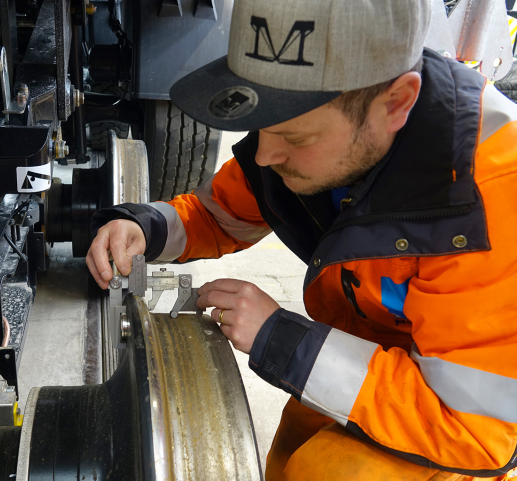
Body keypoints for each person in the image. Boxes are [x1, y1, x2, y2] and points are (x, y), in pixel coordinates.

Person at [86, 0, 517, 479]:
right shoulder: (327, 135)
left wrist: (285, 340)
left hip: (457, 430)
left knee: (328, 472)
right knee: (295, 450)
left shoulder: (491, 202)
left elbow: (477, 433)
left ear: (395, 103)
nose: (265, 154)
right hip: (372, 359)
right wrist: (144, 228)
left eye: (295, 137)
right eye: (262, 127)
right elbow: (218, 215)